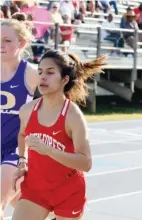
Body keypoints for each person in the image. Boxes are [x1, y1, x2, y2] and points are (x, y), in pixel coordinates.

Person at [11, 49, 106, 220]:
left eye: (50, 72)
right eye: (40, 72)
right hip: (35, 188)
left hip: (68, 192)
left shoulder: (73, 116)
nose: (43, 77)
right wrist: (22, 162)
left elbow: (86, 163)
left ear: (65, 79)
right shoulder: (27, 111)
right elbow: (22, 135)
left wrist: (49, 151)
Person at [1, 12, 39, 219]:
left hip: (16, 148)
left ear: (22, 43)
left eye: (7, 40)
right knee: (25, 207)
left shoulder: (30, 73)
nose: (1, 45)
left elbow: (57, 98)